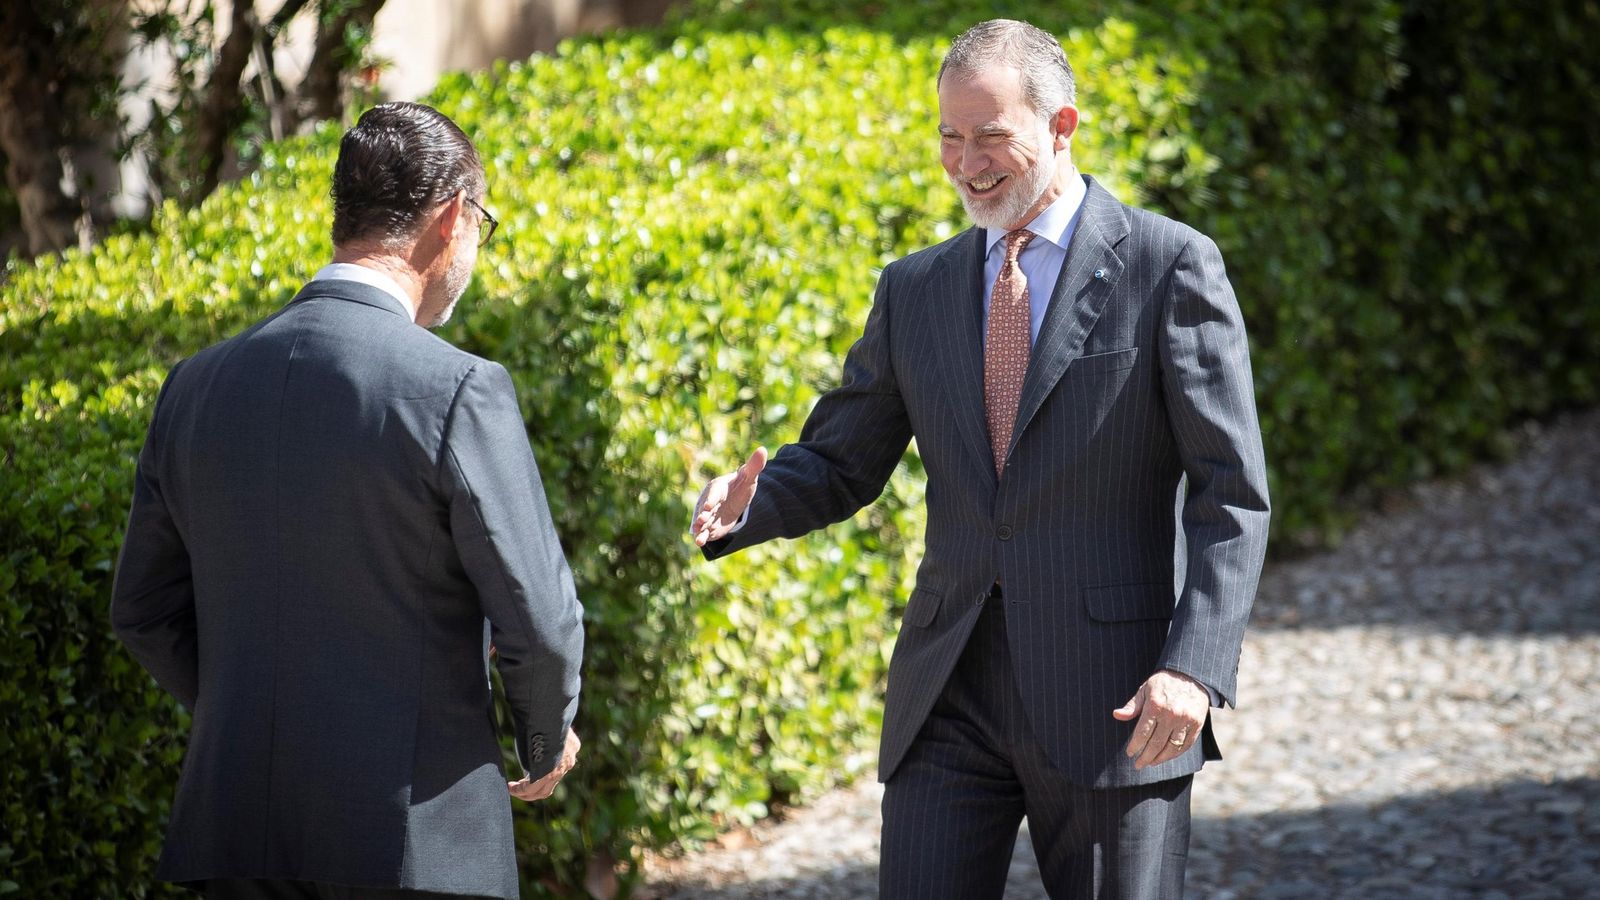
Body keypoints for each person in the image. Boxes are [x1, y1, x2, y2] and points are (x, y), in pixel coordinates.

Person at [691, 19, 1269, 899]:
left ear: (1061, 126)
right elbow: (843, 460)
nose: (967, 162)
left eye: (991, 135)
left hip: (1115, 696)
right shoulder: (914, 288)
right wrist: (750, 506)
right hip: (948, 686)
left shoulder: (1169, 264)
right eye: (949, 138)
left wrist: (1194, 666)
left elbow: (1231, 493)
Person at [112, 101, 585, 900]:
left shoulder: (193, 387)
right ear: (450, 219)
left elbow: (142, 609)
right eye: (484, 225)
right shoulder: (459, 388)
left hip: (234, 836)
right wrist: (543, 744)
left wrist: (256, 714)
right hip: (415, 844)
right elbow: (538, 621)